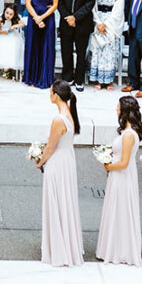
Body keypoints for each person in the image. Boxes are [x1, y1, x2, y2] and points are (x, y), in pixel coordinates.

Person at [33, 79, 83, 267]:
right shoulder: (69, 114)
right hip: (67, 159)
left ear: (56, 95)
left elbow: (51, 148)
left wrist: (39, 161)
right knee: (65, 200)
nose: (49, 94)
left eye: (51, 92)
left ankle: (58, 247)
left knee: (56, 201)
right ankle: (65, 242)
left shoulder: (58, 120)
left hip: (58, 162)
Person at [95, 96, 142, 269]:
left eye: (118, 107)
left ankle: (120, 249)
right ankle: (115, 246)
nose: (116, 109)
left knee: (121, 208)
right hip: (120, 175)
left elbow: (124, 162)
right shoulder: (127, 133)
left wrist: (109, 166)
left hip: (122, 175)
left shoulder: (129, 135)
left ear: (124, 111)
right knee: (117, 209)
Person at [56, 0, 96, 87]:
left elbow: (90, 3)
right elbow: (59, 2)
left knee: (81, 52)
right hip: (66, 22)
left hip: (82, 23)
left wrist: (76, 17)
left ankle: (79, 80)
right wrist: (68, 17)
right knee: (66, 51)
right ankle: (67, 77)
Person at [88, 0, 125, 90]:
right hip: (98, 19)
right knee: (98, 50)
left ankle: (109, 81)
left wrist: (107, 24)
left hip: (111, 22)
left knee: (109, 52)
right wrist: (98, 22)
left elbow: (118, 9)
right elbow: (92, 4)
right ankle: (98, 79)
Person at [23, 0, 58, 90]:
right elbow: (28, 3)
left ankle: (45, 78)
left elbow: (55, 5)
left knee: (46, 46)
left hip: (48, 19)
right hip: (34, 18)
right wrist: (36, 18)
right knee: (33, 45)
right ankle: (31, 77)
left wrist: (42, 17)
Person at [0, 4, 24, 77]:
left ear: (14, 15)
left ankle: (11, 65)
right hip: (2, 36)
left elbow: (22, 24)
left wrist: (14, 26)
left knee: (13, 45)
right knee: (3, 47)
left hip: (12, 36)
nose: (8, 15)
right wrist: (5, 32)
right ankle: (5, 67)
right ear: (4, 12)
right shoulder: (1, 19)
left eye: (11, 14)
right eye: (7, 13)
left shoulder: (15, 20)